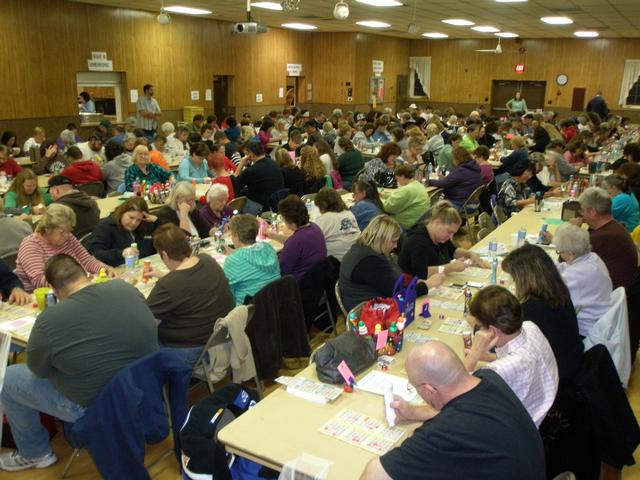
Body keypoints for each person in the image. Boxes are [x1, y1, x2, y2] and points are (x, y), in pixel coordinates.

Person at [0, 254, 157, 471]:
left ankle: (35, 453)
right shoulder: (125, 288)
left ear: (54, 290)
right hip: (144, 389)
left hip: (95, 404)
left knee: (7, 379)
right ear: (86, 274)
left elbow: (37, 369)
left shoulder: (49, 319)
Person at [361, 341, 545, 480]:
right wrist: (414, 413)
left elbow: (373, 474)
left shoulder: (443, 434)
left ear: (429, 390)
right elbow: (465, 417)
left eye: (414, 387)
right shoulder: (488, 378)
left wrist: (411, 447)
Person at [464, 285, 559, 427]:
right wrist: (489, 357)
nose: (478, 330)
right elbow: (521, 357)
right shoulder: (530, 326)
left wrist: (474, 354)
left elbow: (460, 399)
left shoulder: (497, 372)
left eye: (479, 326)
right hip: (546, 408)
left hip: (520, 430)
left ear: (493, 331)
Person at [145, 224, 235, 366]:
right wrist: (164, 276)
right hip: (222, 339)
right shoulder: (207, 260)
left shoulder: (167, 286)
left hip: (193, 350)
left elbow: (147, 326)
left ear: (164, 255)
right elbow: (189, 284)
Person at [502, 244, 584, 381]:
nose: (514, 283)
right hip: (570, 362)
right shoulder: (557, 289)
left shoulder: (532, 308)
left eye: (515, 278)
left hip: (554, 375)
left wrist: (479, 325)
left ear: (525, 278)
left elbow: (508, 346)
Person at [339, 215, 444, 311]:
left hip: (374, 307)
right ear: (381, 239)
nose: (395, 246)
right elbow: (399, 295)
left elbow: (392, 279)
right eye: (393, 241)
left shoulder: (362, 250)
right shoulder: (369, 263)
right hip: (370, 318)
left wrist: (413, 282)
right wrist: (427, 284)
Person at [14, 204, 115, 292]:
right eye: (62, 232)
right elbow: (39, 280)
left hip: (72, 289)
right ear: (47, 229)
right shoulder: (31, 245)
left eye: (69, 230)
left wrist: (104, 269)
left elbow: (86, 260)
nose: (67, 235)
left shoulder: (68, 238)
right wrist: (75, 283)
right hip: (39, 298)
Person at [398, 201, 487, 280]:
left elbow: (453, 251)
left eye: (453, 233)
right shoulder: (418, 241)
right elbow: (421, 273)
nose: (451, 237)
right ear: (437, 223)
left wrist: (470, 254)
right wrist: (450, 267)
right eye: (449, 232)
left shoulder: (440, 236)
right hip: (411, 289)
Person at [553, 224, 612, 337]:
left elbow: (553, 297)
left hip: (585, 330)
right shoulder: (593, 257)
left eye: (559, 251)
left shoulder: (576, 275)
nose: (559, 254)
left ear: (570, 253)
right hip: (599, 315)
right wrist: (546, 265)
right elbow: (566, 267)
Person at [223, 214, 281, 306]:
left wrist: (235, 255)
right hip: (273, 303)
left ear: (237, 236)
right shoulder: (268, 248)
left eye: (232, 235)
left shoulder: (233, 260)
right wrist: (236, 253)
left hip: (248, 311)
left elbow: (228, 294)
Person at [265, 195, 326, 280]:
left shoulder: (296, 241)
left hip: (299, 285)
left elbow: (281, 271)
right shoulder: (314, 228)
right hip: (316, 279)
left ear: (289, 220)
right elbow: (294, 243)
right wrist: (273, 236)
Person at [88, 197, 159, 267]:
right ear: (121, 212)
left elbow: (166, 239)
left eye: (138, 220)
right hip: (116, 271)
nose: (134, 223)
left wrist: (157, 221)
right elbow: (95, 254)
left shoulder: (145, 225)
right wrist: (121, 253)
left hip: (143, 268)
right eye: (131, 217)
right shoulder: (105, 227)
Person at [313, 187, 360, 261]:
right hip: (355, 258)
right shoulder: (349, 214)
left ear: (322, 205)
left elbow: (311, 243)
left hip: (337, 263)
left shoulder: (323, 220)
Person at [235, 141, 284, 211]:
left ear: (251, 155)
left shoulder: (251, 171)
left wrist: (241, 164)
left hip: (261, 206)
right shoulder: (274, 163)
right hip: (277, 203)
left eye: (245, 155)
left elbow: (234, 184)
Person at [382, 164, 430, 230]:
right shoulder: (418, 185)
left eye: (397, 178)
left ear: (402, 176)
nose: (397, 181)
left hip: (405, 225)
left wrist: (378, 200)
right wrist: (384, 195)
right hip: (418, 223)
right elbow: (401, 198)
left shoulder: (407, 190)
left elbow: (388, 207)